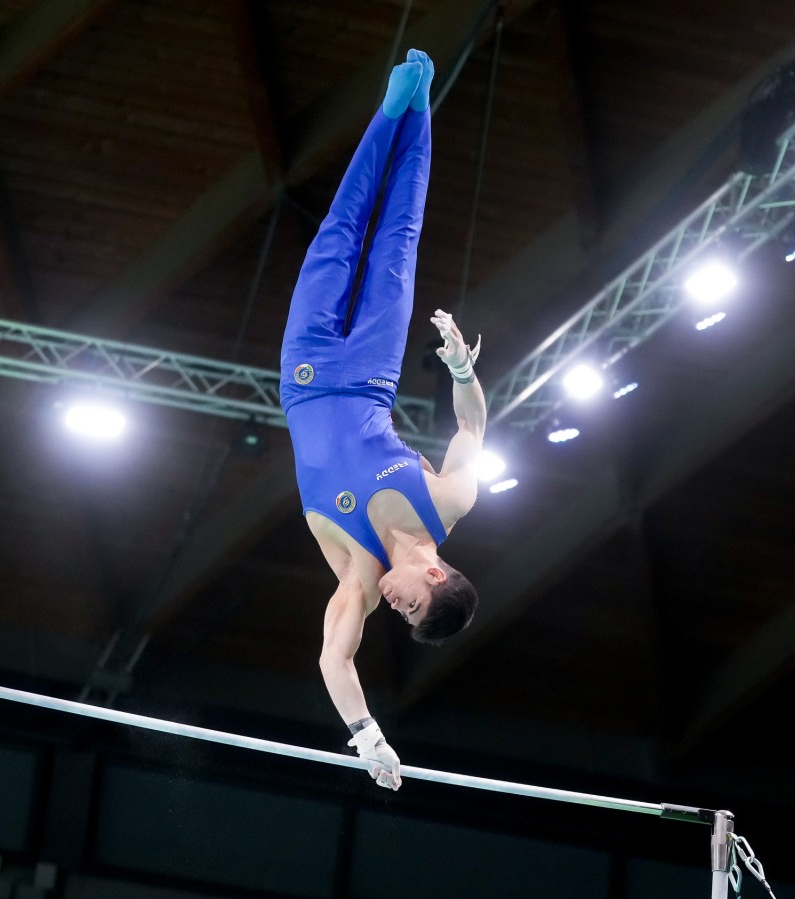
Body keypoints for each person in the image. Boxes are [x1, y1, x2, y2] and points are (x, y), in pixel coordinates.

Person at [279, 49, 486, 791]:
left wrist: (368, 737)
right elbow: (472, 431)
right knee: (397, 236)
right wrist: (462, 372)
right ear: (434, 573)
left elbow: (334, 658)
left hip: (306, 374)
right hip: (372, 371)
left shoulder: (360, 577)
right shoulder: (449, 501)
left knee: (339, 231)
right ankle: (413, 103)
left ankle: (399, 105)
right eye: (414, 606)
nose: (395, 609)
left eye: (401, 616)